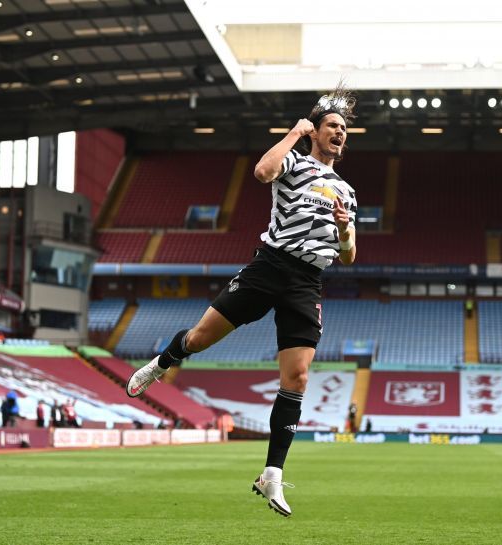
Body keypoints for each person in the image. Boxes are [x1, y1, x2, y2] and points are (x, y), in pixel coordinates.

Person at [126, 83, 358, 517]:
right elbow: (261, 173)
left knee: (299, 377)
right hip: (269, 267)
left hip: (307, 282)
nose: (340, 132)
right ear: (316, 132)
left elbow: (348, 254)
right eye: (332, 126)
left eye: (344, 128)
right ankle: (160, 365)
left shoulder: (346, 191)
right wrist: (294, 133)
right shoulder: (294, 161)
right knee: (198, 339)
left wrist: (345, 229)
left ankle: (272, 473)